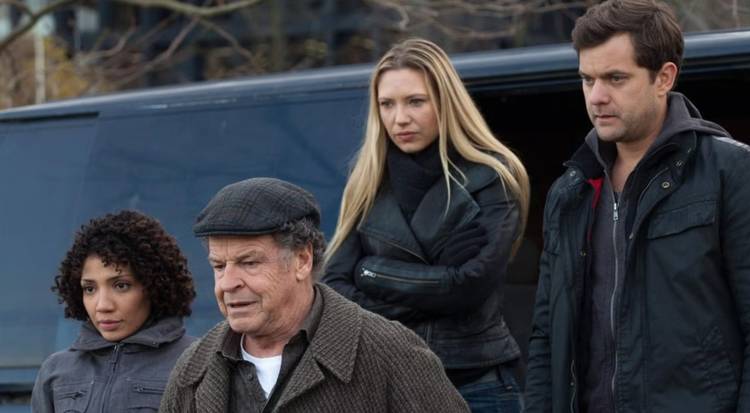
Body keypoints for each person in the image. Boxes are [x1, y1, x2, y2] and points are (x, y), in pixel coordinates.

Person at [524, 0, 750, 412]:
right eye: (587, 79)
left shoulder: (734, 171)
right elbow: (546, 335)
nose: (597, 96)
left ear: (664, 77)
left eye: (616, 78)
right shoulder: (572, 190)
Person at [322, 38, 530, 411]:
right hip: (389, 384)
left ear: (445, 102)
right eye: (387, 104)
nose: (399, 118)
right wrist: (440, 278)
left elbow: (471, 286)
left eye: (415, 101)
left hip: (476, 383)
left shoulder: (491, 176)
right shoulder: (368, 179)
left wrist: (370, 272)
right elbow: (335, 288)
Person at [159, 177, 468, 412]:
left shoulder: (389, 354)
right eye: (218, 266)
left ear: (302, 260)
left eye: (248, 263)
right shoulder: (193, 369)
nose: (228, 283)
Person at [31, 210, 197, 413]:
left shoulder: (197, 363)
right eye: (89, 289)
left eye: (121, 286)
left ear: (154, 286)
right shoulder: (55, 371)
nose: (102, 305)